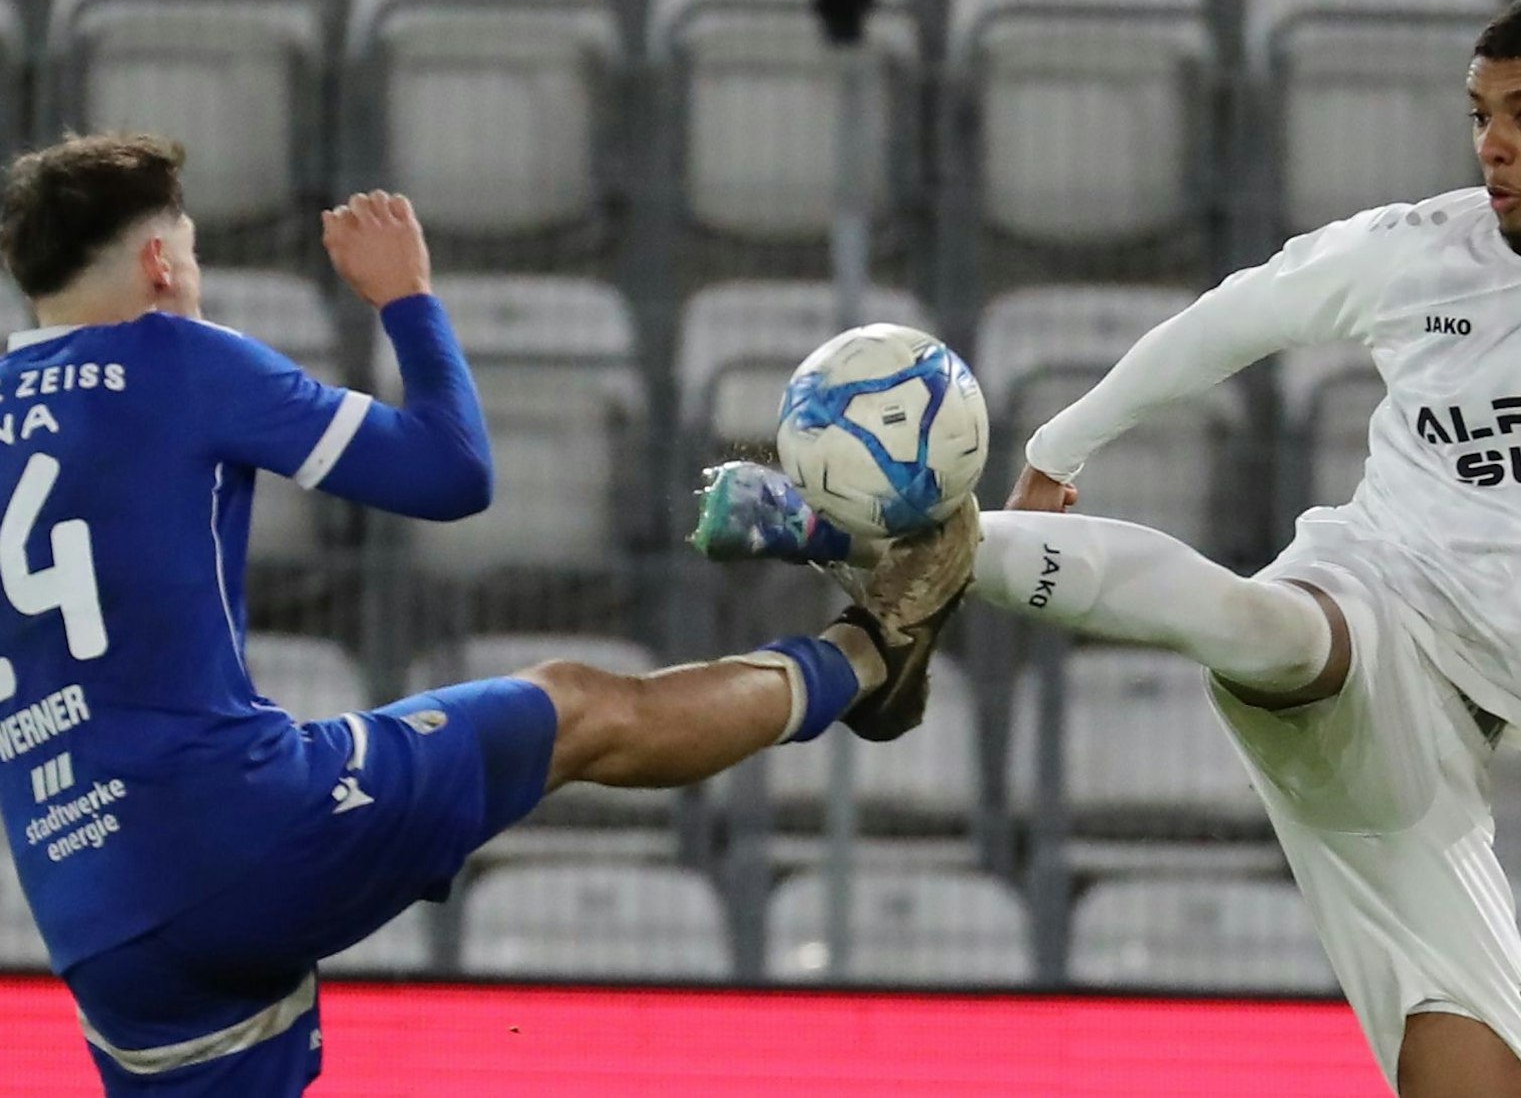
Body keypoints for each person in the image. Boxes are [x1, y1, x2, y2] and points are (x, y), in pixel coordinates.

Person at [691, 0, 1521, 1097]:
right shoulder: (1422, 250)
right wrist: (1062, 446)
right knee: (1263, 623)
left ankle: (909, 542)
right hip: (1368, 598)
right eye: (1479, 115)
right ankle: (888, 535)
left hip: (1446, 751)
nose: (1490, 147)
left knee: (1486, 1073)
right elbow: (1236, 314)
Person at [0, 133, 979, 1096]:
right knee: (581, 704)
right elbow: (450, 470)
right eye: (196, 251)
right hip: (235, 823)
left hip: (91, 915)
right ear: (160, 262)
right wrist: (406, 299)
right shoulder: (177, 357)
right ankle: (865, 654)